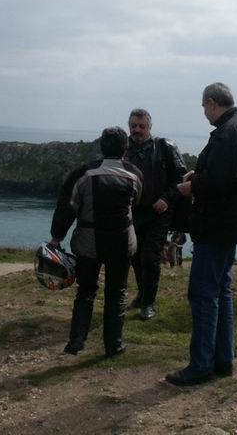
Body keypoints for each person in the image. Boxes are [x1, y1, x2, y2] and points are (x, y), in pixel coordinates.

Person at [166, 83, 237, 386]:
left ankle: (201, 364)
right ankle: (223, 359)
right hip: (233, 222)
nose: (204, 113)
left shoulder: (226, 132)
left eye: (204, 107)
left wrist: (190, 187)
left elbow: (221, 181)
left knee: (203, 293)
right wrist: (199, 175)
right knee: (221, 290)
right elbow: (230, 174)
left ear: (211, 103)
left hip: (218, 223)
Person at [51, 127, 143, 358]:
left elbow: (67, 207)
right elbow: (137, 203)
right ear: (125, 148)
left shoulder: (84, 173)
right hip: (122, 242)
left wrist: (56, 237)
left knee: (85, 291)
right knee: (116, 293)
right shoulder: (134, 175)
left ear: (102, 147)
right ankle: (114, 345)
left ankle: (76, 340)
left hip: (88, 242)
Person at [125, 108, 187, 321]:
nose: (137, 130)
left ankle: (148, 303)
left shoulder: (165, 147)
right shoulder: (124, 149)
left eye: (141, 126)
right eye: (133, 126)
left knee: (150, 258)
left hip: (158, 212)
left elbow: (181, 177)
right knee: (135, 256)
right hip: (133, 213)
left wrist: (167, 199)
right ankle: (142, 294)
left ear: (150, 127)